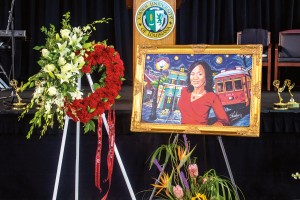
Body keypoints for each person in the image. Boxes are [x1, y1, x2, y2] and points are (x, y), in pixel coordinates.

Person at [178, 60, 229, 125]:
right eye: (192, 74)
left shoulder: (212, 97)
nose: (195, 78)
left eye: (200, 74)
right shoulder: (184, 91)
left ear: (206, 77)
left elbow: (224, 121)